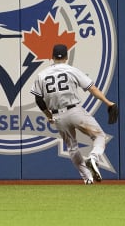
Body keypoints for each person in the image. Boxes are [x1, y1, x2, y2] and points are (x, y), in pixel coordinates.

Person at [30, 44, 116, 184]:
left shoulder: (42, 75)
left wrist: (49, 116)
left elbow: (39, 100)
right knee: (99, 136)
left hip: (58, 116)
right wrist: (108, 102)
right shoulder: (71, 70)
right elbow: (92, 88)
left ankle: (87, 178)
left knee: (72, 147)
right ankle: (93, 158)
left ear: (52, 57)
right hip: (74, 110)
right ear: (66, 57)